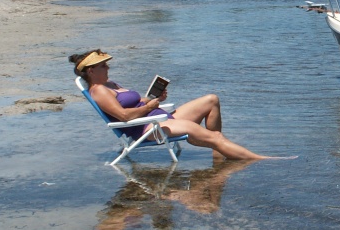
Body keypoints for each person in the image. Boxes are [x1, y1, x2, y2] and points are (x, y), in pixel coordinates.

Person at [70, 48, 285, 161]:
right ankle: (260, 160)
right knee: (215, 137)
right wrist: (149, 107)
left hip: (159, 117)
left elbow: (136, 103)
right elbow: (124, 116)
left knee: (211, 100)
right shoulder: (99, 90)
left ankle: (218, 156)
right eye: (104, 66)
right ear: (91, 71)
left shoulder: (110, 84)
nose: (108, 68)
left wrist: (153, 99)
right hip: (149, 128)